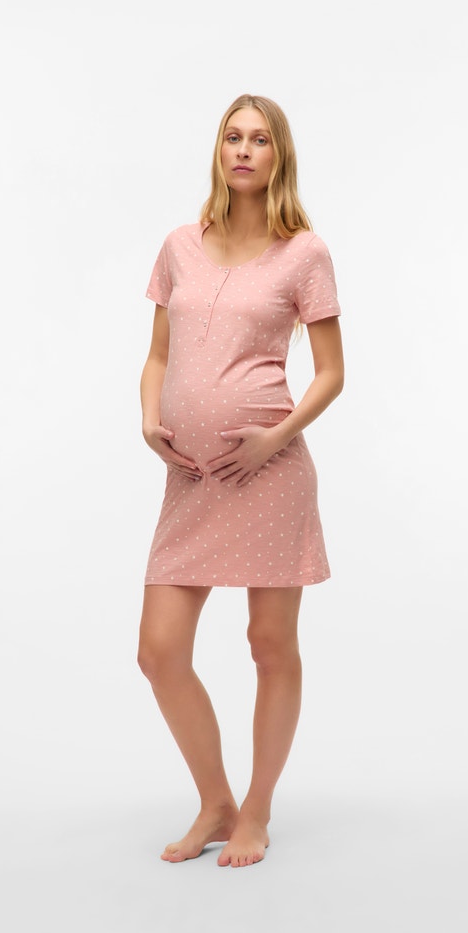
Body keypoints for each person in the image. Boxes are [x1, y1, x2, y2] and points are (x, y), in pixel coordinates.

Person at [137, 93, 344, 868]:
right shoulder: (179, 246)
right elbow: (159, 354)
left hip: (271, 474)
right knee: (158, 650)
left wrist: (274, 440)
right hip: (191, 479)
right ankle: (215, 800)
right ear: (218, 151)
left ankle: (256, 808)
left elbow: (332, 373)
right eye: (233, 137)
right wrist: (149, 416)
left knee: (269, 643)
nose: (245, 150)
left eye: (260, 139)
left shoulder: (305, 254)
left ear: (278, 154)